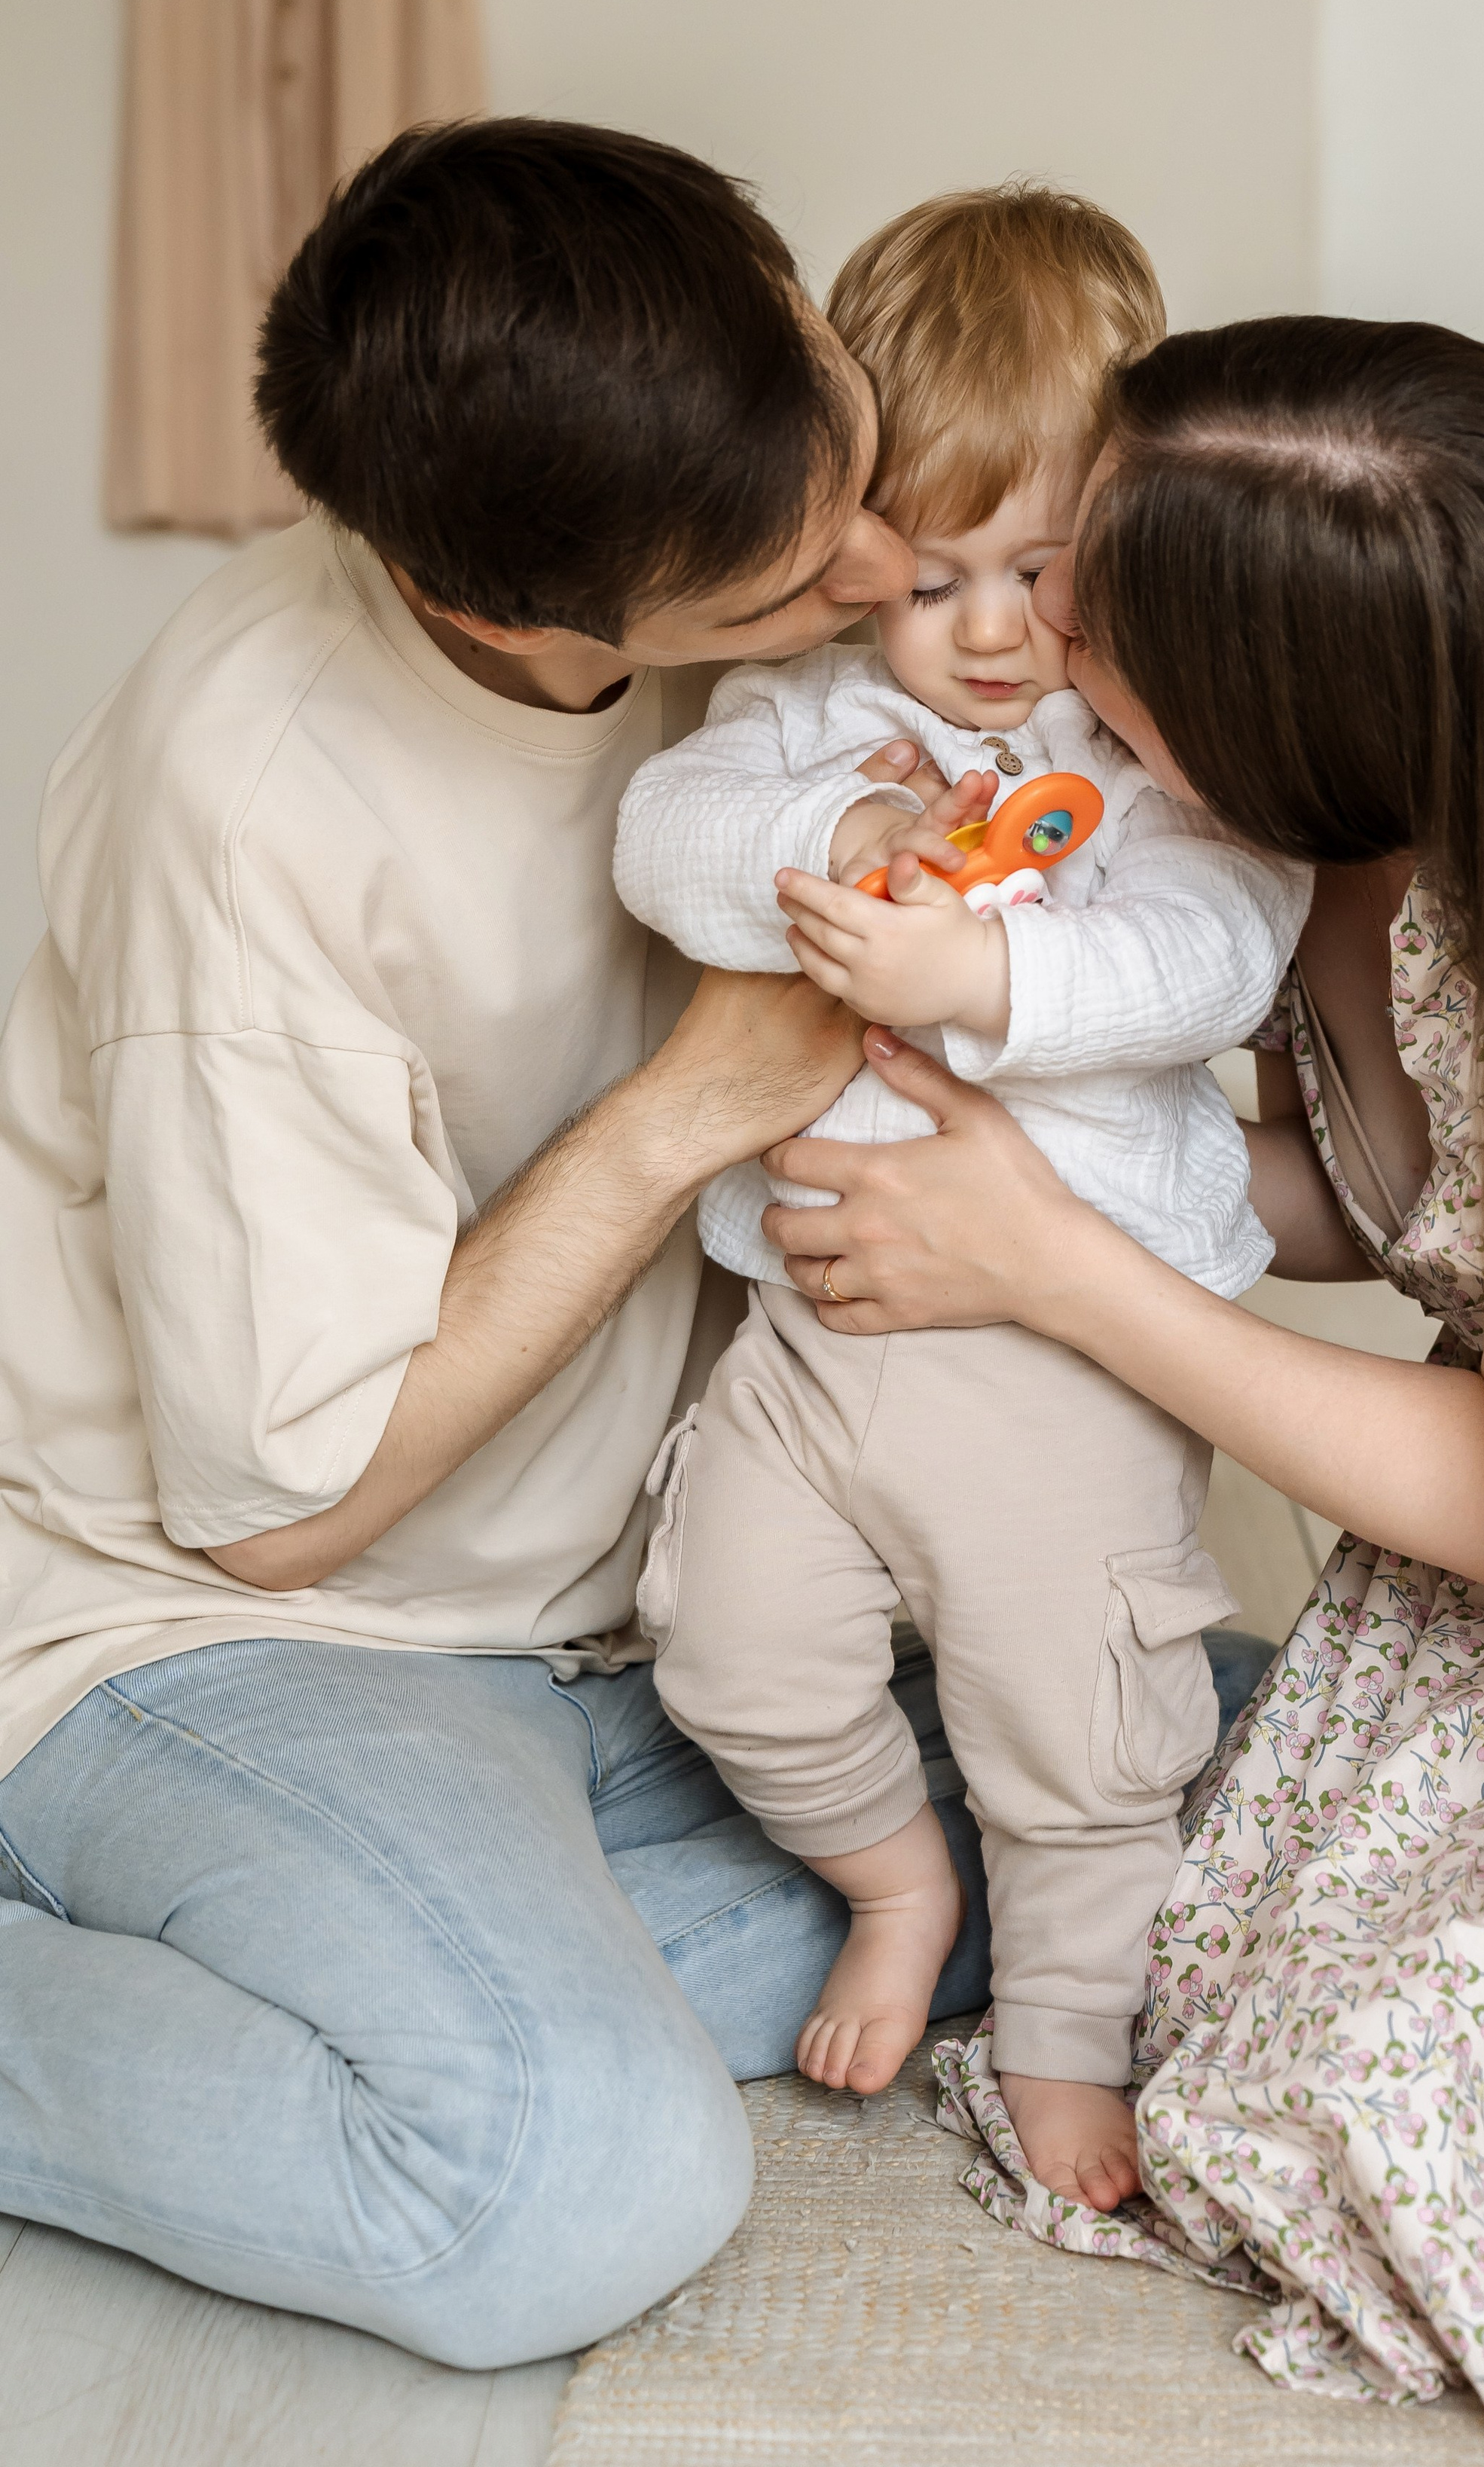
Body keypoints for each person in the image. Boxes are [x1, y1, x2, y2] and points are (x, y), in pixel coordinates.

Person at [0, 117, 1270, 2367]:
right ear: (528, 612)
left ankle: (457, 1933)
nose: (893, 572)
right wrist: (706, 1089)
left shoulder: (770, 561)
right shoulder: (254, 814)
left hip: (640, 1601)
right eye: (807, 582)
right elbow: (279, 1515)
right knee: (560, 2183)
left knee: (1255, 1759)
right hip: (259, 1632)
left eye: (863, 467)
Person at [751, 314, 1484, 2462]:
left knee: (1450, 2144)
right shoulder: (1304, 847)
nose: (1047, 631)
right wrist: (1044, 1145)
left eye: (1102, 620)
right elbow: (1380, 1202)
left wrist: (1063, 1266)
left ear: (1287, 705)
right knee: (1151, 1915)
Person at [612, 188, 1309, 2208]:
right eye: (930, 581)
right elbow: (669, 841)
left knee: (1078, 1735)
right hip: (819, 1334)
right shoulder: (830, 726)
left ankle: (1077, 2043)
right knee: (725, 1645)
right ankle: (897, 1885)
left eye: (1041, 570)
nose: (989, 633)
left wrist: (983, 982)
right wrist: (836, 827)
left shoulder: (1175, 751)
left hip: (1056, 1357)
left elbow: (1214, 958)